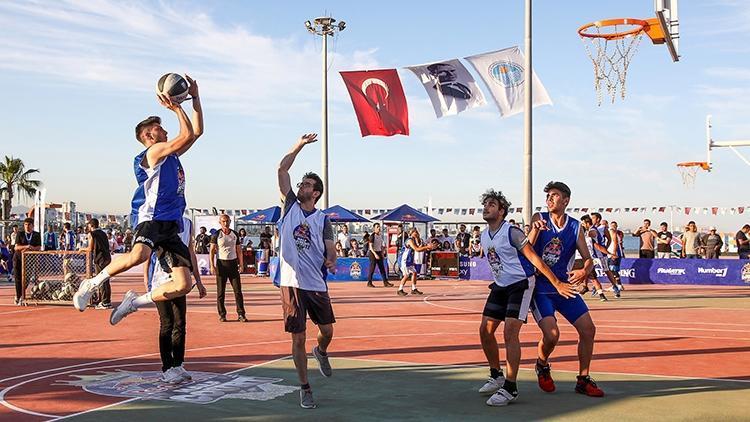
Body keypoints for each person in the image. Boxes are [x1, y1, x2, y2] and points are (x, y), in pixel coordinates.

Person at [73, 75, 204, 325]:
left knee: (183, 284)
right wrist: (177, 106)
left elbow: (196, 132)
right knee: (139, 256)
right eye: (159, 127)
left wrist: (195, 98)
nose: (164, 129)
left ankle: (134, 302)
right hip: (151, 218)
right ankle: (91, 283)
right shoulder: (153, 152)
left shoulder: (171, 155)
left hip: (170, 223)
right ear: (148, 135)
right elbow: (186, 133)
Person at [477, 189, 574, 407]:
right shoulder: (484, 235)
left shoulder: (512, 232)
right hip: (501, 286)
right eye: (486, 204)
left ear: (501, 211)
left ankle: (510, 387)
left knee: (510, 332)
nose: (486, 208)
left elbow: (535, 259)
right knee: (485, 330)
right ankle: (496, 374)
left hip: (521, 285)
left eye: (492, 205)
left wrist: (557, 283)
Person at [277, 133, 337, 409]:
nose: (301, 186)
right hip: (291, 283)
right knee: (298, 336)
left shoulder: (323, 219)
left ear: (316, 193)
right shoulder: (289, 206)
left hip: (315, 282)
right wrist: (299, 145)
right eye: (301, 183)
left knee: (326, 330)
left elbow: (330, 246)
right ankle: (305, 387)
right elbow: (282, 169)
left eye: (307, 185)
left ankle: (321, 350)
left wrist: (331, 259)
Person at [527, 181, 603, 398]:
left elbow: (588, 259)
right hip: (542, 287)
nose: (549, 199)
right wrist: (534, 230)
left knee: (588, 329)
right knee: (552, 335)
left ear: (566, 200)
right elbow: (527, 250)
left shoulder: (575, 227)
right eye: (548, 196)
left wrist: (583, 272)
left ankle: (583, 379)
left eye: (554, 195)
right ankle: (542, 364)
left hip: (565, 287)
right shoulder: (539, 218)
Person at [144, 215, 207, 384]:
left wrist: (198, 281)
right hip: (160, 280)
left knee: (180, 323)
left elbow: (190, 252)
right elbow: (148, 253)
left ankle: (178, 364)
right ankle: (167, 368)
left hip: (179, 279)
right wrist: (146, 279)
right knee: (167, 323)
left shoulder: (187, 223)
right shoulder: (160, 221)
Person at [210, 214, 246, 322]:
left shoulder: (234, 234)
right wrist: (212, 265)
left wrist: (241, 264)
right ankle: (222, 314)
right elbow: (212, 251)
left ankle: (241, 314)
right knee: (221, 292)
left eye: (227, 221)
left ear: (230, 222)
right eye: (223, 221)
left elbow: (239, 250)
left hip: (233, 265)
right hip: (221, 265)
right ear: (220, 222)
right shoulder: (216, 234)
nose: (226, 223)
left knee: (238, 291)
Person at [78, 218, 113, 309]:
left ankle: (105, 302)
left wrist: (82, 249)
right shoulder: (103, 233)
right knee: (105, 280)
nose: (87, 227)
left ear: (91, 225)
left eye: (88, 225)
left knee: (102, 280)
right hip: (106, 257)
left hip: (100, 259)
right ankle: (102, 299)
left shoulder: (92, 234)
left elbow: (90, 248)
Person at [587, 213, 621, 298]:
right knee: (590, 271)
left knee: (607, 270)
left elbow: (609, 239)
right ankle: (595, 287)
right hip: (592, 254)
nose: (592, 219)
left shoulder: (603, 228)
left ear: (598, 219)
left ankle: (615, 287)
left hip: (601, 254)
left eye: (593, 218)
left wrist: (606, 249)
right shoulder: (590, 228)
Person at [579, 215, 609, 301]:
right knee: (586, 278)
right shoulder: (582, 238)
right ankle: (596, 293)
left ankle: (601, 294)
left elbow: (598, 246)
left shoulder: (589, 236)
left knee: (590, 278)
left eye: (583, 224)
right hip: (582, 259)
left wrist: (609, 253)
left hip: (587, 259)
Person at [397, 228, 435, 296]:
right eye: (415, 232)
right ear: (412, 233)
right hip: (404, 260)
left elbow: (419, 247)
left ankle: (413, 289)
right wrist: (427, 247)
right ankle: (400, 289)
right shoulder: (409, 240)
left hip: (409, 259)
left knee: (414, 272)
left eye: (417, 232)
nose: (417, 233)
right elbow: (417, 249)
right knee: (406, 275)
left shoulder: (414, 239)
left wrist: (427, 247)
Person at [12, 218, 41, 305]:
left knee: (26, 279)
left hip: (29, 260)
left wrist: (32, 248)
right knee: (18, 278)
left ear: (32, 225)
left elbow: (38, 247)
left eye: (29, 225)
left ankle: (21, 295)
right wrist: (26, 246)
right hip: (18, 259)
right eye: (25, 225)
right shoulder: (20, 234)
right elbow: (16, 247)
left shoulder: (36, 235)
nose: (27, 227)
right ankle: (19, 296)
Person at [366, 223, 392, 288]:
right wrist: (375, 254)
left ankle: (385, 282)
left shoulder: (380, 236)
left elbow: (381, 246)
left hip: (379, 252)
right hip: (373, 253)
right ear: (374, 228)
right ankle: (369, 282)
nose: (379, 228)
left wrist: (382, 253)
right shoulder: (372, 236)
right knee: (372, 268)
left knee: (382, 268)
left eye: (379, 227)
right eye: (377, 227)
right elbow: (371, 247)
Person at [607, 221, 625, 290]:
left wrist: (614, 253)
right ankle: (614, 285)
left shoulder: (615, 233)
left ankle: (619, 285)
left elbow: (616, 243)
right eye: (612, 225)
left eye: (614, 225)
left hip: (615, 253)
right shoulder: (610, 232)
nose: (613, 227)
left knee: (613, 270)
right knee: (611, 270)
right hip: (610, 253)